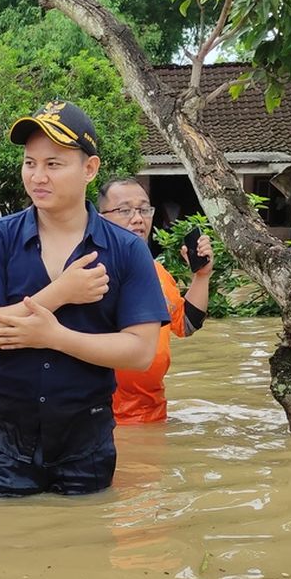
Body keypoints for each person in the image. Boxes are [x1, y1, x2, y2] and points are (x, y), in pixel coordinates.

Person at [0, 100, 170, 496]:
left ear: (89, 169)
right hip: (3, 435)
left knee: (85, 548)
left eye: (53, 164)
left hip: (85, 435)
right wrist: (59, 293)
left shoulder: (126, 250)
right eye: (30, 163)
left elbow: (141, 353)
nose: (38, 176)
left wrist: (55, 337)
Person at [98, 178, 213, 424]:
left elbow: (187, 324)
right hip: (102, 422)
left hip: (152, 416)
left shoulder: (158, 273)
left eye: (144, 209)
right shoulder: (88, 273)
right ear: (100, 219)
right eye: (125, 210)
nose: (138, 218)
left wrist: (202, 277)